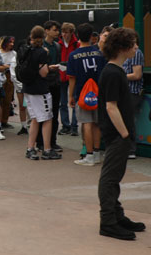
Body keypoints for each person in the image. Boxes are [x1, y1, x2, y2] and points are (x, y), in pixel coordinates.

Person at [97, 27, 147, 241]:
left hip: (118, 134)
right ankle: (108, 221)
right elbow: (111, 106)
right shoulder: (113, 73)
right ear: (122, 48)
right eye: (133, 44)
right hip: (117, 134)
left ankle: (116, 216)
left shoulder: (115, 71)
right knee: (110, 178)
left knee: (114, 176)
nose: (136, 47)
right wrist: (125, 134)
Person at [67, 23, 104, 166]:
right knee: (96, 123)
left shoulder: (74, 55)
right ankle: (96, 152)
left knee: (86, 123)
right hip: (98, 92)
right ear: (91, 36)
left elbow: (72, 78)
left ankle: (88, 155)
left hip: (83, 92)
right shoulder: (99, 53)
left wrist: (71, 96)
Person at [22, 26, 55, 160]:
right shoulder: (42, 52)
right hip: (39, 89)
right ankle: (47, 149)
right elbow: (43, 72)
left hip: (27, 88)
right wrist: (50, 68)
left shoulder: (26, 50)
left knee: (35, 118)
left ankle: (30, 148)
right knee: (47, 118)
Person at [35, 20, 63, 157]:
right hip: (45, 83)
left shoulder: (57, 46)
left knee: (54, 111)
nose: (57, 32)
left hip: (55, 82)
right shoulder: (41, 47)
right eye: (54, 29)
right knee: (44, 113)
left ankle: (52, 140)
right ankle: (41, 141)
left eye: (57, 30)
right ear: (46, 31)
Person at [121, 31, 145, 158]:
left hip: (132, 91)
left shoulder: (136, 53)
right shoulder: (124, 53)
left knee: (128, 121)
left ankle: (130, 149)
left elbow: (137, 74)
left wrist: (120, 76)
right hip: (126, 91)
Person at [58, 22, 79, 136]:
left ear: (71, 33)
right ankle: (65, 125)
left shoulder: (77, 44)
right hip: (61, 76)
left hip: (73, 77)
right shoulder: (58, 44)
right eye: (63, 32)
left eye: (66, 32)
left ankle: (74, 126)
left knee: (74, 101)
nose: (64, 34)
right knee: (63, 102)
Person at [0, 36, 16, 130]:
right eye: (10, 42)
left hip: (10, 77)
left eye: (13, 42)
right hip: (0, 76)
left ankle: (5, 121)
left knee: (7, 100)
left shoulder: (14, 53)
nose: (12, 44)